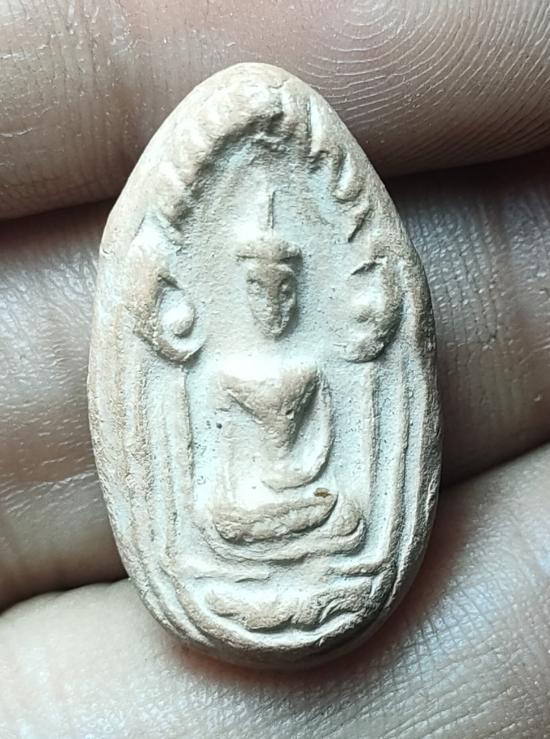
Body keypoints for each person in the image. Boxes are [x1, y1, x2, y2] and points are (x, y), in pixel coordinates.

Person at [0, 2, 549, 736]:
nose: (274, 302)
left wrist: (312, 496)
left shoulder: (309, 365)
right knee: (226, 522)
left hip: (307, 505)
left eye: (285, 288)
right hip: (243, 513)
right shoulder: (221, 370)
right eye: (260, 288)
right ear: (242, 286)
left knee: (344, 519)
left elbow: (321, 453)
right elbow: (221, 474)